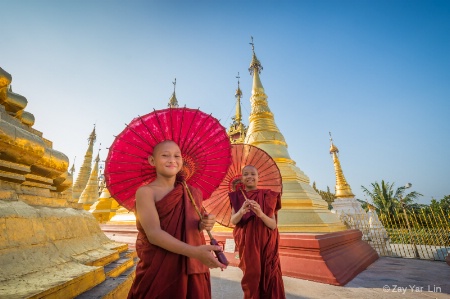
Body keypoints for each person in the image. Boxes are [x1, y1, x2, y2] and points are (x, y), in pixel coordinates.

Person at [128, 140, 227, 299]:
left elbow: (196, 224)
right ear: (152, 161)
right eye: (165, 155)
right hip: (160, 267)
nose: (172, 160)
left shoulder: (192, 193)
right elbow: (154, 234)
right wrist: (196, 252)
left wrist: (205, 222)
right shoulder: (146, 192)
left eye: (177, 156)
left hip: (192, 267)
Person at [229, 165, 286, 299]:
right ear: (242, 178)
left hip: (266, 243)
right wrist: (241, 211)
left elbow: (272, 225)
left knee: (269, 275)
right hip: (247, 244)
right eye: (246, 174)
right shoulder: (237, 197)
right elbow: (233, 221)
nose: (249, 177)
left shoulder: (268, 196)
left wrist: (260, 213)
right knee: (252, 275)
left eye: (253, 174)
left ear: (258, 177)